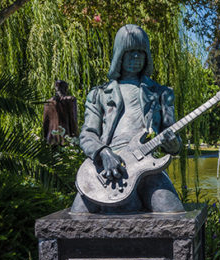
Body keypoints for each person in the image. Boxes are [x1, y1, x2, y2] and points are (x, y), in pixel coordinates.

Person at [70, 24, 184, 214]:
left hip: (148, 168)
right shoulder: (98, 95)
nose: (136, 58)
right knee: (78, 215)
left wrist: (172, 144)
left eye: (141, 52)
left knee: (172, 211)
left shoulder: (162, 93)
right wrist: (104, 153)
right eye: (130, 52)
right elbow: (88, 135)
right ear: (119, 55)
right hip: (106, 169)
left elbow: (172, 140)